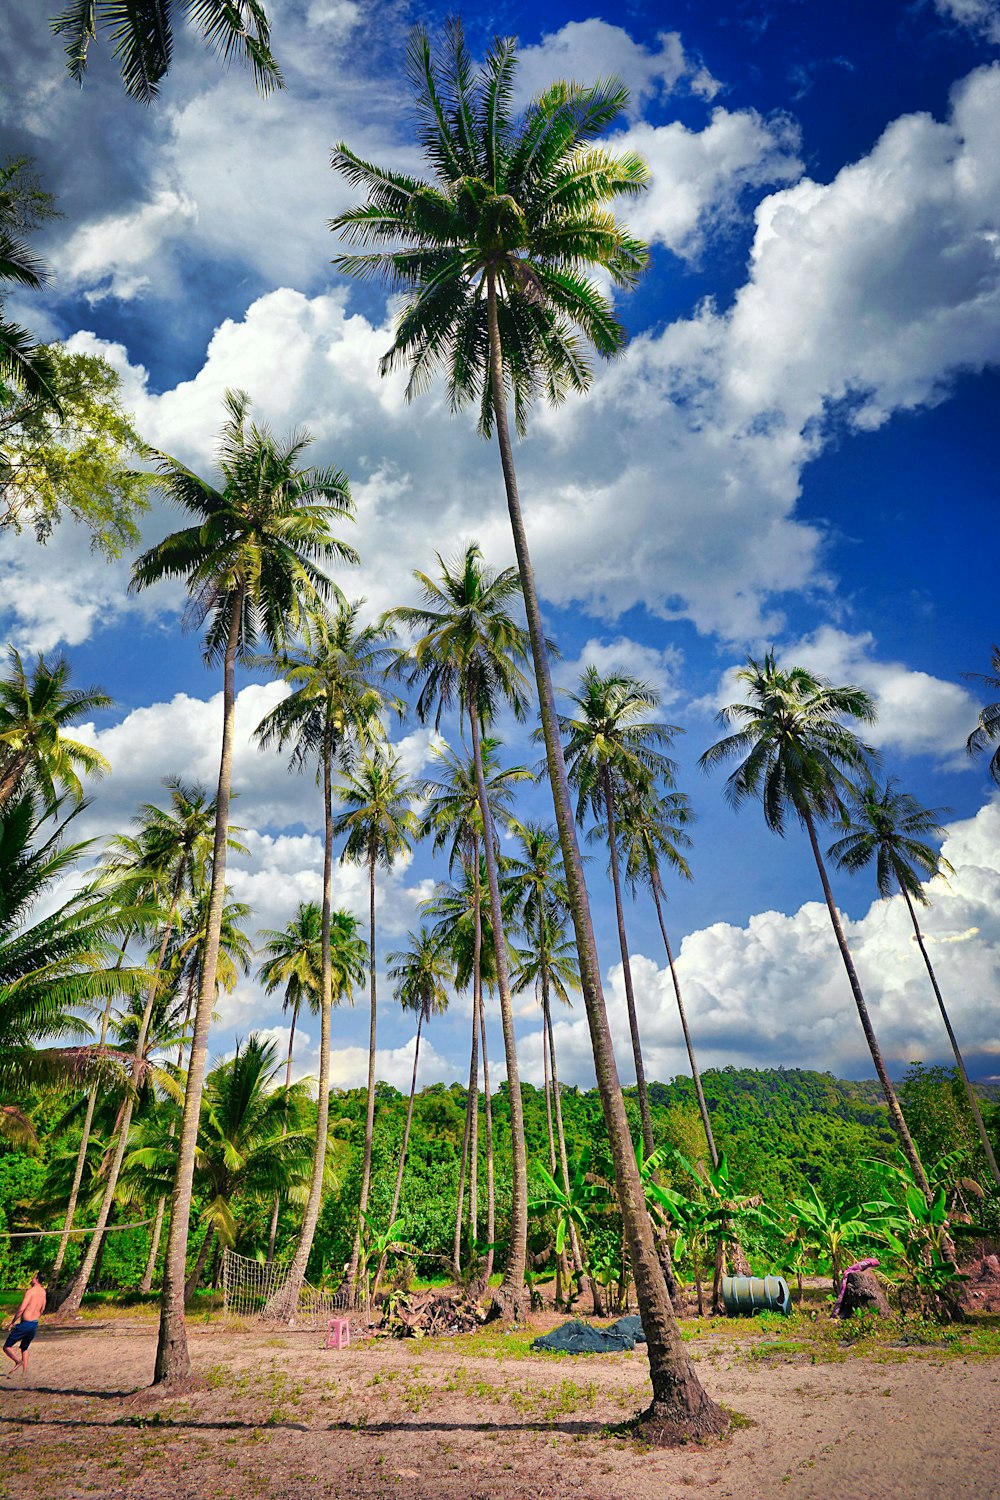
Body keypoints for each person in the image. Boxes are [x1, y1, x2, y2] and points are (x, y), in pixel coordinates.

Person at [3, 1271, 46, 1377]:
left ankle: (18, 1361)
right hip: (34, 1323)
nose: (31, 1279)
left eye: (33, 1277)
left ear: (36, 1279)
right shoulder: (43, 1292)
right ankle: (25, 1372)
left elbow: (21, 1308)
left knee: (7, 1346)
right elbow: (42, 1308)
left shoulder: (30, 1292)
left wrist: (13, 1322)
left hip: (26, 1323)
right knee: (24, 1347)